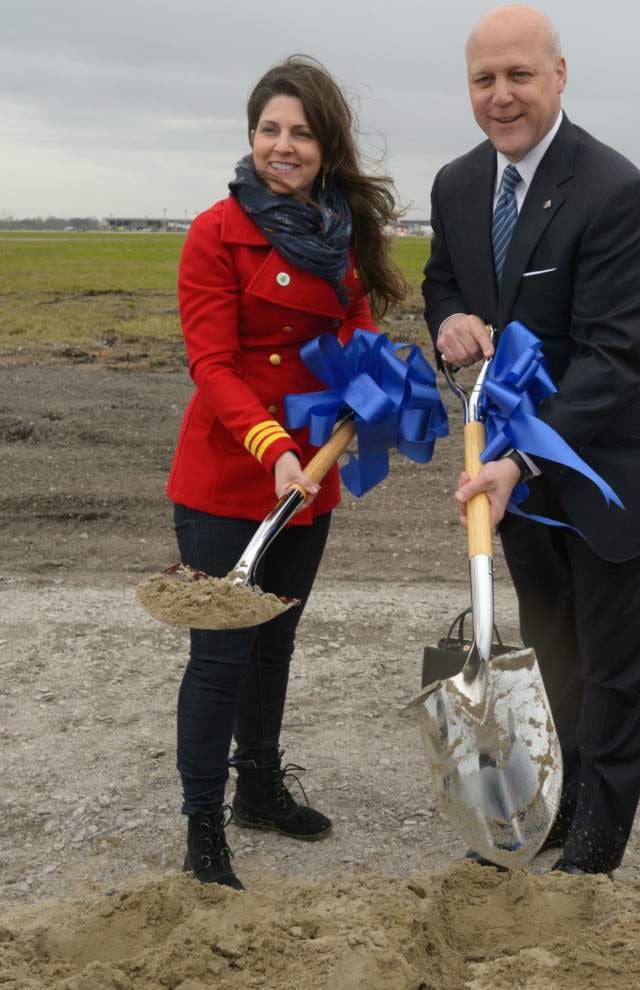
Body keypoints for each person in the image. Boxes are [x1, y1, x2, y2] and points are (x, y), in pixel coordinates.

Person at [422, 6, 640, 876]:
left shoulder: (617, 192)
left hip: (619, 468)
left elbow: (613, 359)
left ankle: (591, 850)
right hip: (523, 478)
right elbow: (442, 279)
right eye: (483, 79)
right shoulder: (458, 184)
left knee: (619, 668)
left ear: (559, 76)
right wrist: (452, 321)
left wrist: (517, 460)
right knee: (552, 651)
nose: (501, 97)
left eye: (519, 76)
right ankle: (547, 810)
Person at [166, 55, 407, 889]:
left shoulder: (337, 235)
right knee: (221, 654)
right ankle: (204, 828)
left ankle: (259, 790)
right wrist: (273, 448)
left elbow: (356, 329)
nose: (283, 145)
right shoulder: (214, 232)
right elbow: (213, 363)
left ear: (326, 146)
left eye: (300, 132)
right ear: (250, 137)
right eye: (270, 129)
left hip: (313, 473)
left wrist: (378, 386)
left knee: (275, 645)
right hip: (232, 475)